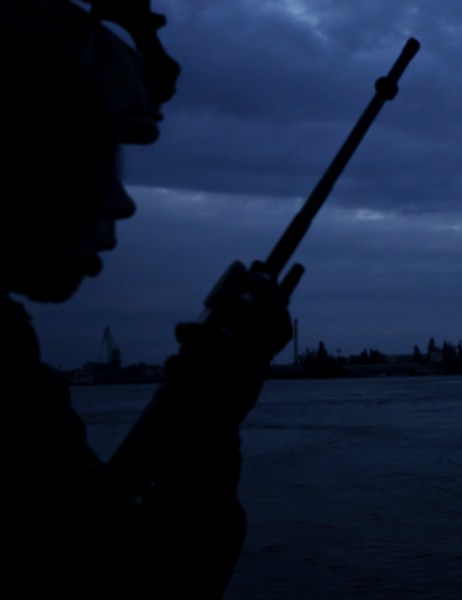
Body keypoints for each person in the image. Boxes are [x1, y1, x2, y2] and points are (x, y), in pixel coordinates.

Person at [0, 0, 292, 597]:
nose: (124, 202)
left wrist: (207, 416)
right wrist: (212, 420)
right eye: (101, 156)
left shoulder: (4, 355)